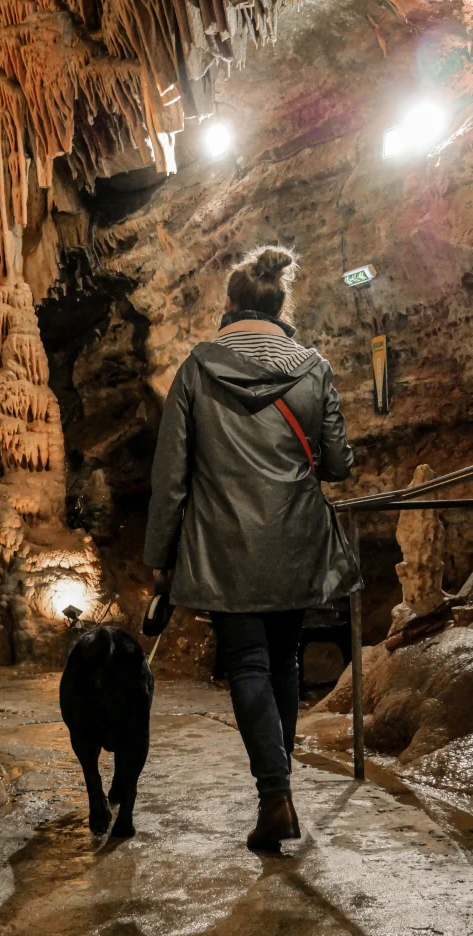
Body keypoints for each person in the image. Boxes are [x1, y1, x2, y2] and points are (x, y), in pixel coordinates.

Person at [143, 245, 361, 851]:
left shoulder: (196, 369)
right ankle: (279, 791)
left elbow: (171, 475)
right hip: (295, 540)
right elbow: (340, 463)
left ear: (230, 307)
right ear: (279, 304)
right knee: (285, 661)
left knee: (247, 664)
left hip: (224, 547)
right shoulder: (312, 368)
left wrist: (158, 556)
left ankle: (275, 795)